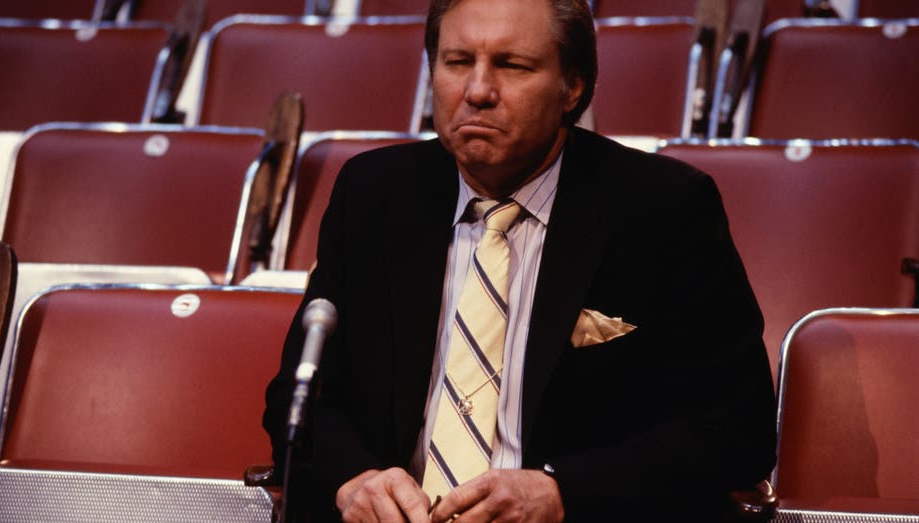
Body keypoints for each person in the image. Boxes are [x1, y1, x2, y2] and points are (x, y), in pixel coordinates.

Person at [264, 0, 777, 520]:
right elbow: (299, 399)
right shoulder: (374, 194)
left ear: (572, 87)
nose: (478, 91)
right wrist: (355, 480)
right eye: (457, 62)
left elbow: (738, 428)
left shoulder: (665, 210)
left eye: (511, 65)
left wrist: (562, 493)